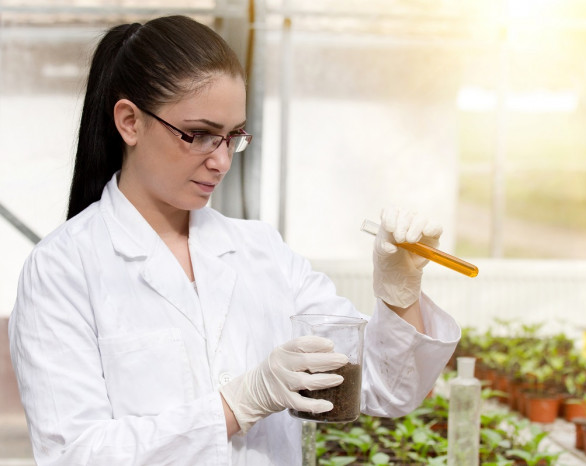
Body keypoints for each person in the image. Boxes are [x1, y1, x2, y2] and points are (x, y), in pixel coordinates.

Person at [9, 15, 460, 465]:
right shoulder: (63, 269)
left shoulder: (261, 252)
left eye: (232, 137)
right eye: (200, 135)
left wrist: (400, 295)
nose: (222, 162)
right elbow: (75, 454)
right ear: (129, 122)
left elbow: (383, 388)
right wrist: (236, 405)